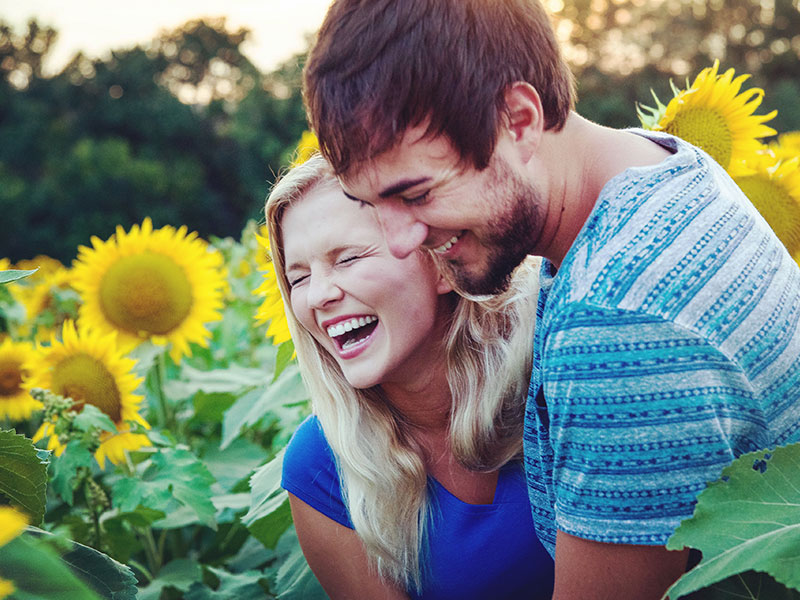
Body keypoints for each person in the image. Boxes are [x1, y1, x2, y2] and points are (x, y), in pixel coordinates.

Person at [301, 1, 800, 598]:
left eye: (417, 193)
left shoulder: (618, 326)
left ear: (519, 119)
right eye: (373, 203)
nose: (401, 239)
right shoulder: (660, 164)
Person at [266, 154, 554, 600]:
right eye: (298, 277)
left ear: (442, 259)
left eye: (347, 258)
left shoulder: (558, 366)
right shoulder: (322, 468)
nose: (319, 296)